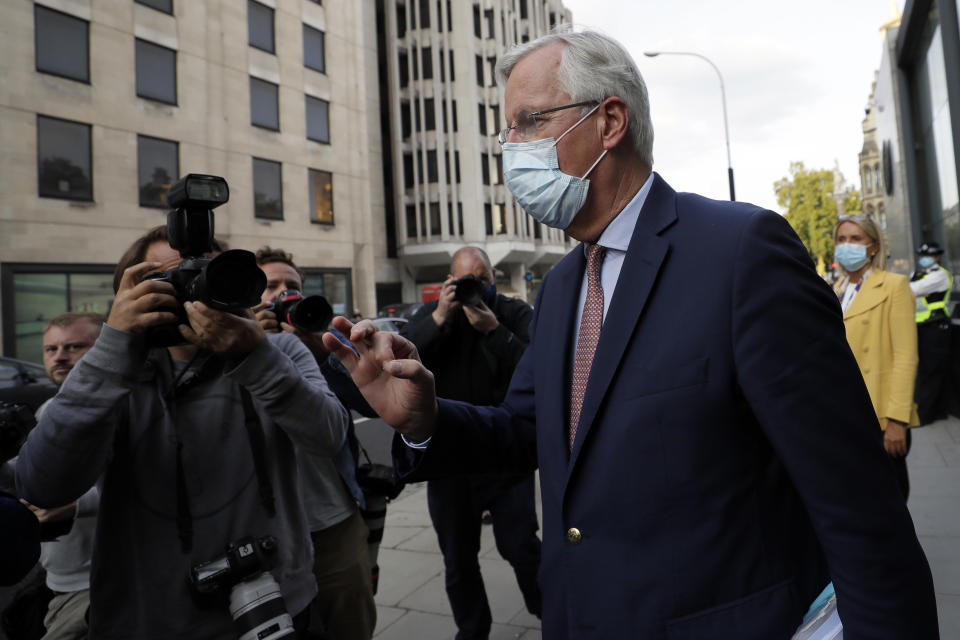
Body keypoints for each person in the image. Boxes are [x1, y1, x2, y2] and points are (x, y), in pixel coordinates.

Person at [322, 28, 939, 639]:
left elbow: (858, 505)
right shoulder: (563, 285)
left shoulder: (741, 254)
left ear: (609, 121)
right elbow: (528, 429)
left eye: (529, 122)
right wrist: (424, 417)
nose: (510, 148)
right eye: (505, 131)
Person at [14, 226, 349, 639]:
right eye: (169, 281)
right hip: (149, 617)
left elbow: (330, 437)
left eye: (202, 276)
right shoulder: (111, 370)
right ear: (129, 293)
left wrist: (254, 356)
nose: (191, 295)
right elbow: (43, 483)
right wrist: (114, 346)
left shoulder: (276, 351)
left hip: (278, 603)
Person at [401, 247, 541, 640]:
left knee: (521, 547)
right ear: (448, 282)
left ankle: (552, 611)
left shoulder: (513, 314)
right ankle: (473, 631)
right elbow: (403, 355)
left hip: (505, 454)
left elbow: (539, 367)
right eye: (463, 280)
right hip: (451, 461)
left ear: (493, 277)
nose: (472, 286)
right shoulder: (434, 316)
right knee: (459, 561)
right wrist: (440, 316)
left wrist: (494, 331)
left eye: (480, 279)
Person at [254, 247, 376, 640]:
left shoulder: (323, 350)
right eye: (270, 286)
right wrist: (253, 345)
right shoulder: (233, 344)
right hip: (262, 532)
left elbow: (369, 407)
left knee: (349, 624)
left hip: (332, 522)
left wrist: (321, 354)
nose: (282, 293)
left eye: (292, 286)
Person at [833, 215, 918, 499]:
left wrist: (897, 419)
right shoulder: (836, 291)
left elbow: (906, 357)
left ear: (874, 247)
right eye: (841, 239)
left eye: (856, 239)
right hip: (844, 416)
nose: (847, 245)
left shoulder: (894, 286)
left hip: (881, 418)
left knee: (888, 503)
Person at [32, 313, 103, 640]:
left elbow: (150, 483)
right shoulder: (49, 408)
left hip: (99, 583)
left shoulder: (121, 403)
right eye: (51, 349)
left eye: (74, 346)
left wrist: (76, 505)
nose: (59, 356)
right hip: (59, 578)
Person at [910, 241, 954, 425]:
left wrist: (917, 291)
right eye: (922, 255)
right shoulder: (917, 274)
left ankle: (927, 415)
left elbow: (910, 289)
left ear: (937, 257)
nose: (925, 259)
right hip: (921, 327)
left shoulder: (940, 276)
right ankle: (933, 410)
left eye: (929, 255)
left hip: (936, 327)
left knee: (932, 370)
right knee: (924, 370)